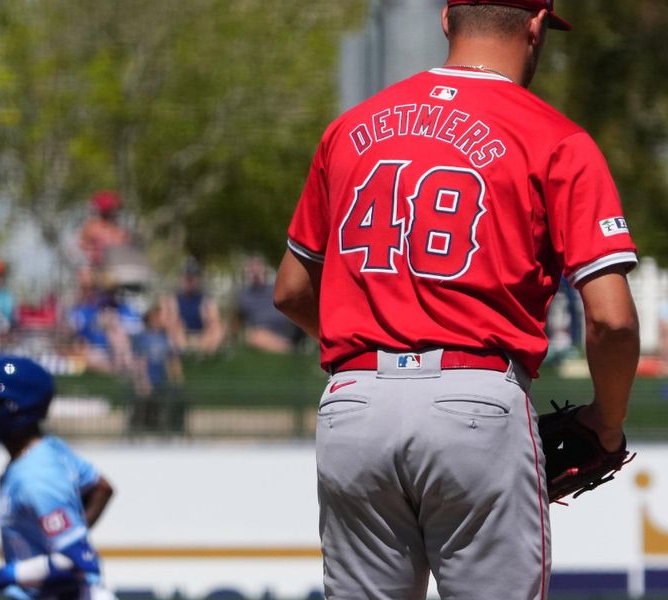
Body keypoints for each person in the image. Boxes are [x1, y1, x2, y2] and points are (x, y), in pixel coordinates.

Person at [273, 2, 641, 598]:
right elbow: (613, 320)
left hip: (353, 403)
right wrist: (607, 420)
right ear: (536, 24)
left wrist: (378, 341)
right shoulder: (556, 137)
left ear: (447, 21)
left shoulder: (350, 129)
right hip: (474, 400)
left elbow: (291, 291)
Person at [0, 355, 117, 599]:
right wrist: (67, 536)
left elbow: (77, 564)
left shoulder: (36, 476)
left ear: (15, 407)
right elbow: (102, 487)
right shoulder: (48, 448)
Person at [130, 303, 185, 433]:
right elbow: (139, 361)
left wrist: (178, 380)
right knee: (143, 400)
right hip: (147, 382)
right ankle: (139, 427)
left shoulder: (166, 338)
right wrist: (142, 380)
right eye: (161, 316)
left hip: (162, 383)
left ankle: (174, 427)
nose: (164, 319)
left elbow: (172, 360)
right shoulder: (142, 338)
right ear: (152, 318)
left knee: (178, 397)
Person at [236, 255, 302, 354]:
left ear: (264, 268)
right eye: (252, 268)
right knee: (255, 336)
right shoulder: (244, 296)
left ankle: (286, 348)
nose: (255, 271)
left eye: (257, 267)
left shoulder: (277, 289)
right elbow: (237, 322)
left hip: (284, 332)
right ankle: (286, 350)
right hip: (259, 335)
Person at [161, 258, 226, 356]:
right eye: (186, 277)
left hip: (201, 335)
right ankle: (185, 354)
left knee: (218, 327)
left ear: (197, 279)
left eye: (192, 278)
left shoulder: (206, 299)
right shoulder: (171, 299)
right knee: (176, 325)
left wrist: (210, 321)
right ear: (181, 278)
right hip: (179, 335)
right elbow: (163, 320)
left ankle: (204, 354)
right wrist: (173, 322)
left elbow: (215, 319)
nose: (189, 281)